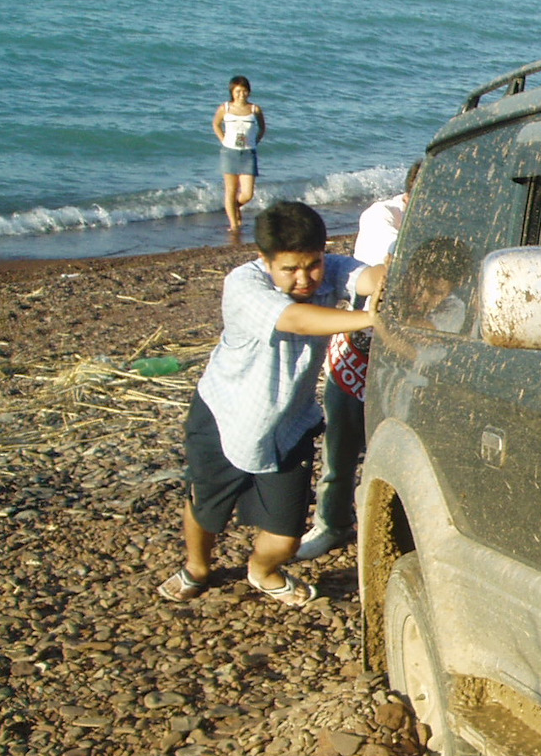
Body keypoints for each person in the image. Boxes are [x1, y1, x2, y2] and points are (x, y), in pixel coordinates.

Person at [160, 200, 383, 608]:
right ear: (265, 260)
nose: (304, 278)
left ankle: (262, 570)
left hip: (289, 422)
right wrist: (371, 320)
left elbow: (368, 277)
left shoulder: (328, 268)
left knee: (285, 537)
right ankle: (197, 567)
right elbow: (297, 319)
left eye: (312, 264)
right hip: (226, 414)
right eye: (290, 269)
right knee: (206, 508)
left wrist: (394, 273)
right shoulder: (243, 285)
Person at [299, 160, 422, 561]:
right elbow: (385, 270)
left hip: (409, 357)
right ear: (409, 197)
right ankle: (331, 525)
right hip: (358, 354)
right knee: (340, 450)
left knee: (400, 450)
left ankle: (395, 533)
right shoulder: (382, 217)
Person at [213, 75, 266, 234]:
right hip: (229, 152)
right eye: (237, 91)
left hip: (248, 153)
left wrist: (255, 141)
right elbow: (216, 124)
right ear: (232, 92)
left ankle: (233, 207)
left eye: (244, 91)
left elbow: (262, 128)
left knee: (248, 193)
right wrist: (223, 139)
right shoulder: (225, 108)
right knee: (231, 190)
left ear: (248, 92)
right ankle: (234, 224)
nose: (241, 94)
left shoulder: (254, 109)